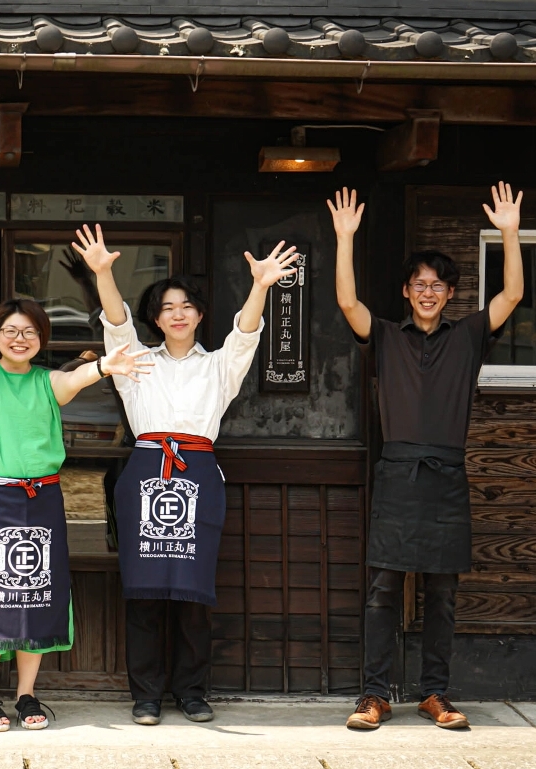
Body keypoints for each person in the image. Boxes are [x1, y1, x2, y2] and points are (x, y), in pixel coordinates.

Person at [72, 223, 299, 726]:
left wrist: (261, 286)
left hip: (197, 473)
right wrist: (104, 274)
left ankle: (192, 691)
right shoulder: (134, 361)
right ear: (156, 317)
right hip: (147, 470)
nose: (177, 314)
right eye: (167, 307)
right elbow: (115, 326)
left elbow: (245, 337)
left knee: (194, 591)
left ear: (198, 314)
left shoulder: (218, 366)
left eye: (186, 306)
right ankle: (146, 695)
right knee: (145, 590)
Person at [332, 183, 523, 730]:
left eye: (437, 285)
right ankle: (373, 696)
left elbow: (511, 295)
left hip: (446, 473)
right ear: (406, 291)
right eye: (420, 284)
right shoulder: (386, 337)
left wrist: (509, 232)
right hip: (397, 471)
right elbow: (347, 302)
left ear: (450, 293)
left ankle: (435, 694)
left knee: (442, 591)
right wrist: (345, 238)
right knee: (383, 588)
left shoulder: (468, 337)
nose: (428, 292)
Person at [0, 244, 152, 732]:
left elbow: (76, 377)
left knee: (36, 592)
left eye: (30, 332)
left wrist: (104, 367)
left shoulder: (46, 382)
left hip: (41, 498)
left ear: (41, 339)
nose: (20, 338)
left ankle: (28, 695)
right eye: (10, 331)